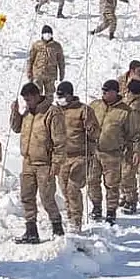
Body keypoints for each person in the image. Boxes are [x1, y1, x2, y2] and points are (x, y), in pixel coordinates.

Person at [9, 83, 66, 242]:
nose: (27, 102)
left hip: (45, 163)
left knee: (47, 197)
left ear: (36, 96)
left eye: (29, 99)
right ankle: (31, 231)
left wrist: (56, 163)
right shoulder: (27, 112)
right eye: (25, 100)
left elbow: (60, 141)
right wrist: (15, 112)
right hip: (28, 161)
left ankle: (57, 228)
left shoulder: (51, 113)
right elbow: (16, 128)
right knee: (27, 196)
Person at [88, 79, 139, 224]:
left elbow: (133, 134)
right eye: (103, 91)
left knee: (111, 184)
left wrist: (134, 152)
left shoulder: (126, 112)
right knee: (92, 181)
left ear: (115, 92)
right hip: (94, 152)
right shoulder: (95, 106)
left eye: (107, 91)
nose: (104, 93)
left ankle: (111, 211)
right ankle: (96, 207)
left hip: (112, 153)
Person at [54, 81, 99, 233]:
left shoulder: (83, 110)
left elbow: (95, 133)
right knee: (64, 189)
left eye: (62, 95)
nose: (60, 98)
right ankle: (69, 215)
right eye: (58, 95)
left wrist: (91, 129)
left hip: (80, 156)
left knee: (73, 187)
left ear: (70, 95)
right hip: (62, 157)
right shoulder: (55, 111)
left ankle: (76, 221)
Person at [121, 79, 140, 214]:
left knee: (129, 172)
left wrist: (137, 150)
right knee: (124, 171)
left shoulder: (136, 107)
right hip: (127, 143)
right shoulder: (131, 103)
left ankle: (131, 200)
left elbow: (136, 130)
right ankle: (126, 195)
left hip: (134, 144)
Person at [27, 25, 65, 99]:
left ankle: (48, 108)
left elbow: (61, 61)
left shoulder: (56, 46)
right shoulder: (36, 45)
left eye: (49, 33)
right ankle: (38, 109)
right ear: (42, 34)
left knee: (50, 95)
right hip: (38, 74)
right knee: (37, 94)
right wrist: (29, 72)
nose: (47, 35)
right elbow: (31, 59)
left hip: (51, 75)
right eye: (45, 33)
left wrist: (61, 74)